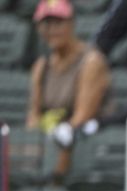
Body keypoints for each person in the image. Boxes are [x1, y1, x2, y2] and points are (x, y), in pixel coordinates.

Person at [26, 0, 110, 177]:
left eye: (58, 22)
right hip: (49, 140)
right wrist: (36, 140)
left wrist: (53, 139)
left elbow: (82, 117)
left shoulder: (91, 62)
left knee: (63, 143)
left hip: (86, 141)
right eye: (46, 24)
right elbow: (34, 116)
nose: (51, 30)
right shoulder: (41, 66)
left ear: (72, 23)